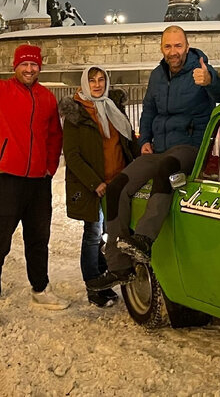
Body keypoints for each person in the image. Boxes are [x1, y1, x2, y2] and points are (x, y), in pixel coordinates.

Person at [90, 26, 220, 289]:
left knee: (167, 167)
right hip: (159, 148)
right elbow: (149, 111)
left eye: (178, 46)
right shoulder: (157, 75)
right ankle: (119, 265)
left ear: (187, 47)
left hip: (190, 148)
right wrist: (144, 140)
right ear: (161, 49)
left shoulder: (201, 70)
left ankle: (144, 239)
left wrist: (211, 81)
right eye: (168, 46)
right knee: (117, 187)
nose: (173, 51)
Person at [0, 33, 68, 330]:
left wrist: (50, 167)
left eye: (34, 64)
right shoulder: (0, 91)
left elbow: (55, 135)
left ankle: (40, 289)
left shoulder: (46, 97)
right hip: (7, 179)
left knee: (38, 239)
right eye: (24, 64)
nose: (29, 69)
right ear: (15, 67)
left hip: (38, 183)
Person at [59, 66, 137, 307]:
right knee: (93, 235)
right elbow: (72, 155)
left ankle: (106, 279)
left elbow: (127, 141)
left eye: (101, 79)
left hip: (119, 181)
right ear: (84, 83)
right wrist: (95, 183)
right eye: (92, 80)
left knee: (113, 233)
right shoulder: (77, 114)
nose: (97, 84)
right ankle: (94, 286)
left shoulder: (113, 108)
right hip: (94, 186)